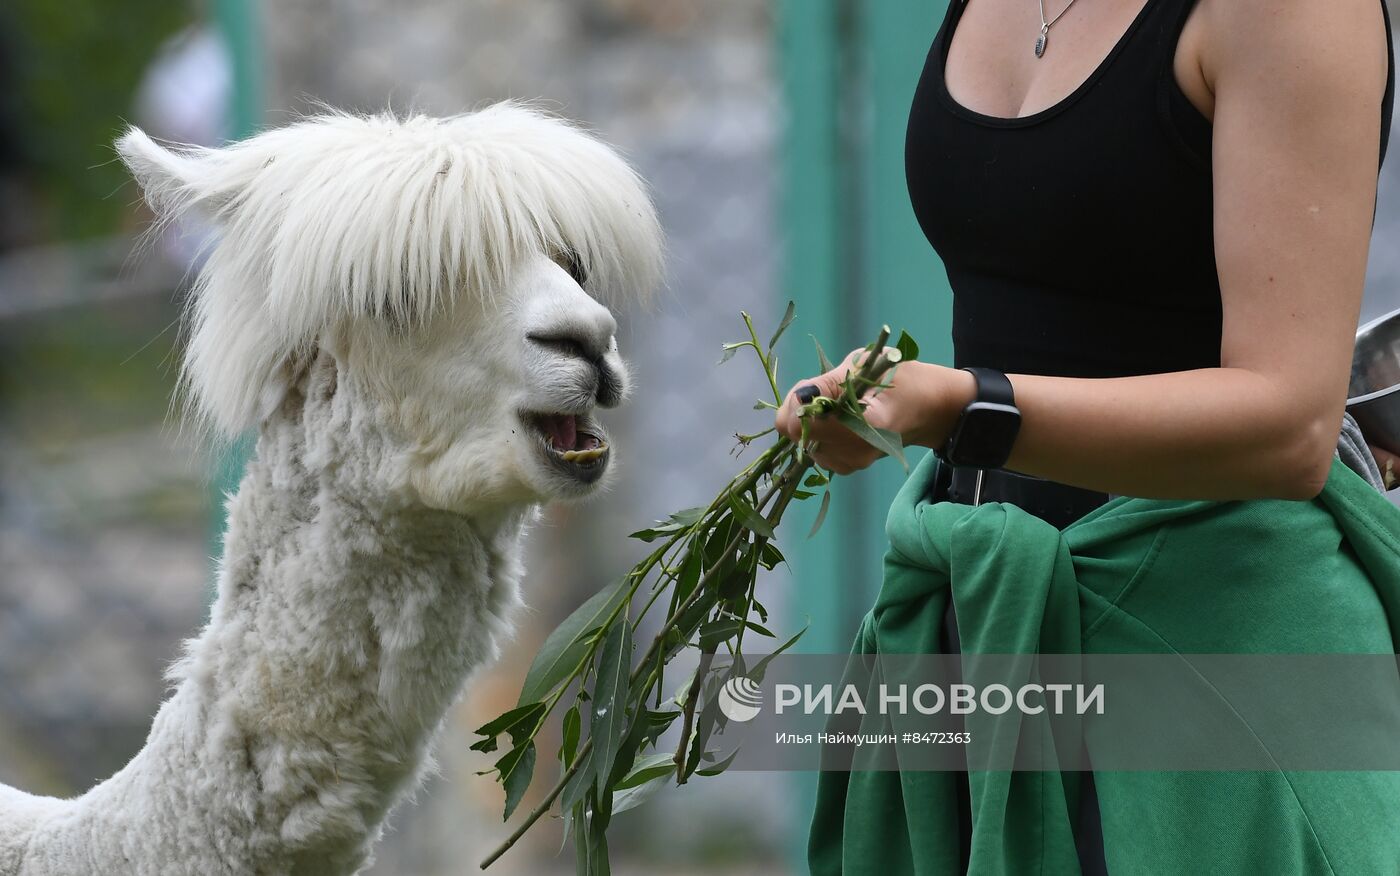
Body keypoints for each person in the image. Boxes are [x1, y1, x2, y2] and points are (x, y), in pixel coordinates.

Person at [775, 0, 1396, 872]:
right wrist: (875, 403)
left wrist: (965, 410)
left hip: (1215, 670)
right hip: (985, 636)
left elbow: (1287, 427)